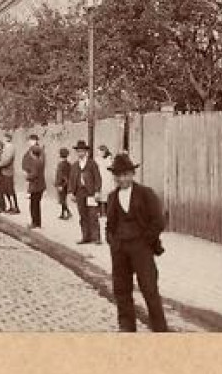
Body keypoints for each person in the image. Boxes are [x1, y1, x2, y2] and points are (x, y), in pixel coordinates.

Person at [103, 153, 169, 332]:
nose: (122, 179)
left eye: (126, 174)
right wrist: (112, 241)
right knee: (121, 290)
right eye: (118, 175)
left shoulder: (145, 194)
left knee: (149, 289)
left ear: (132, 174)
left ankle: (160, 329)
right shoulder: (111, 197)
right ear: (114, 177)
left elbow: (158, 221)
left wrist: (145, 241)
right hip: (119, 249)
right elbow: (109, 224)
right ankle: (126, 327)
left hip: (141, 248)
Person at [67, 140, 103, 244]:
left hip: (90, 193)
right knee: (82, 215)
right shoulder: (74, 165)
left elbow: (97, 178)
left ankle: (96, 237)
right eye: (78, 151)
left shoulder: (92, 164)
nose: (80, 153)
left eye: (82, 151)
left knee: (93, 215)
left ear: (86, 152)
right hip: (79, 192)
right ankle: (85, 236)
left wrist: (97, 191)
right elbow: (71, 179)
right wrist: (70, 192)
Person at [21, 134, 46, 229]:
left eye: (32, 140)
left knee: (34, 204)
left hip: (35, 184)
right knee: (36, 203)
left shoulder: (37, 157)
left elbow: (34, 173)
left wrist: (27, 176)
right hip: (38, 183)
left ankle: (35, 222)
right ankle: (37, 222)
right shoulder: (38, 155)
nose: (30, 142)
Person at [0, 135, 19, 213]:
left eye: (4, 138)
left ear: (7, 139)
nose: (3, 140)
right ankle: (5, 207)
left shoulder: (10, 148)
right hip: (3, 172)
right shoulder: (5, 148)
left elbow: (7, 160)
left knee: (10, 191)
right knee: (2, 191)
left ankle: (15, 208)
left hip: (8, 172)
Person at [54, 147, 73, 220]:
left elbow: (61, 176)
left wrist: (60, 185)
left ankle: (68, 213)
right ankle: (63, 213)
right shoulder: (68, 164)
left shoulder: (61, 164)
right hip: (65, 184)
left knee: (62, 200)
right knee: (63, 200)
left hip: (62, 184)